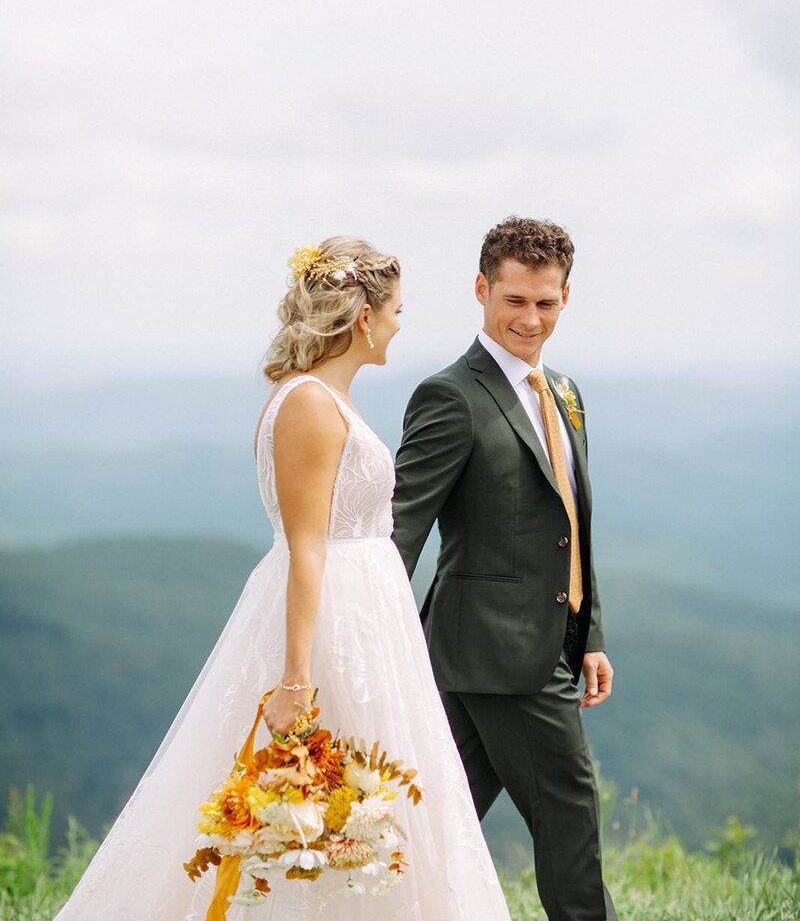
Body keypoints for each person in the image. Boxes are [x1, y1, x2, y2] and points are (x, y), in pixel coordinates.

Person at [54, 236, 511, 920]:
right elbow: (307, 548)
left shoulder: (325, 398)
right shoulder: (306, 404)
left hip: (371, 619)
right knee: (318, 793)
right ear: (363, 317)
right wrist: (297, 679)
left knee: (372, 797)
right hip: (333, 621)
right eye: (395, 310)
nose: (398, 324)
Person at [392, 216, 618, 921]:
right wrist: (368, 646)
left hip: (523, 648)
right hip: (499, 657)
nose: (531, 318)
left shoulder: (566, 391)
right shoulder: (450, 396)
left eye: (545, 302)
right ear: (482, 289)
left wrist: (591, 633)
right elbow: (399, 531)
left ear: (566, 298)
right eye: (515, 300)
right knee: (570, 818)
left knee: (422, 828)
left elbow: (570, 523)